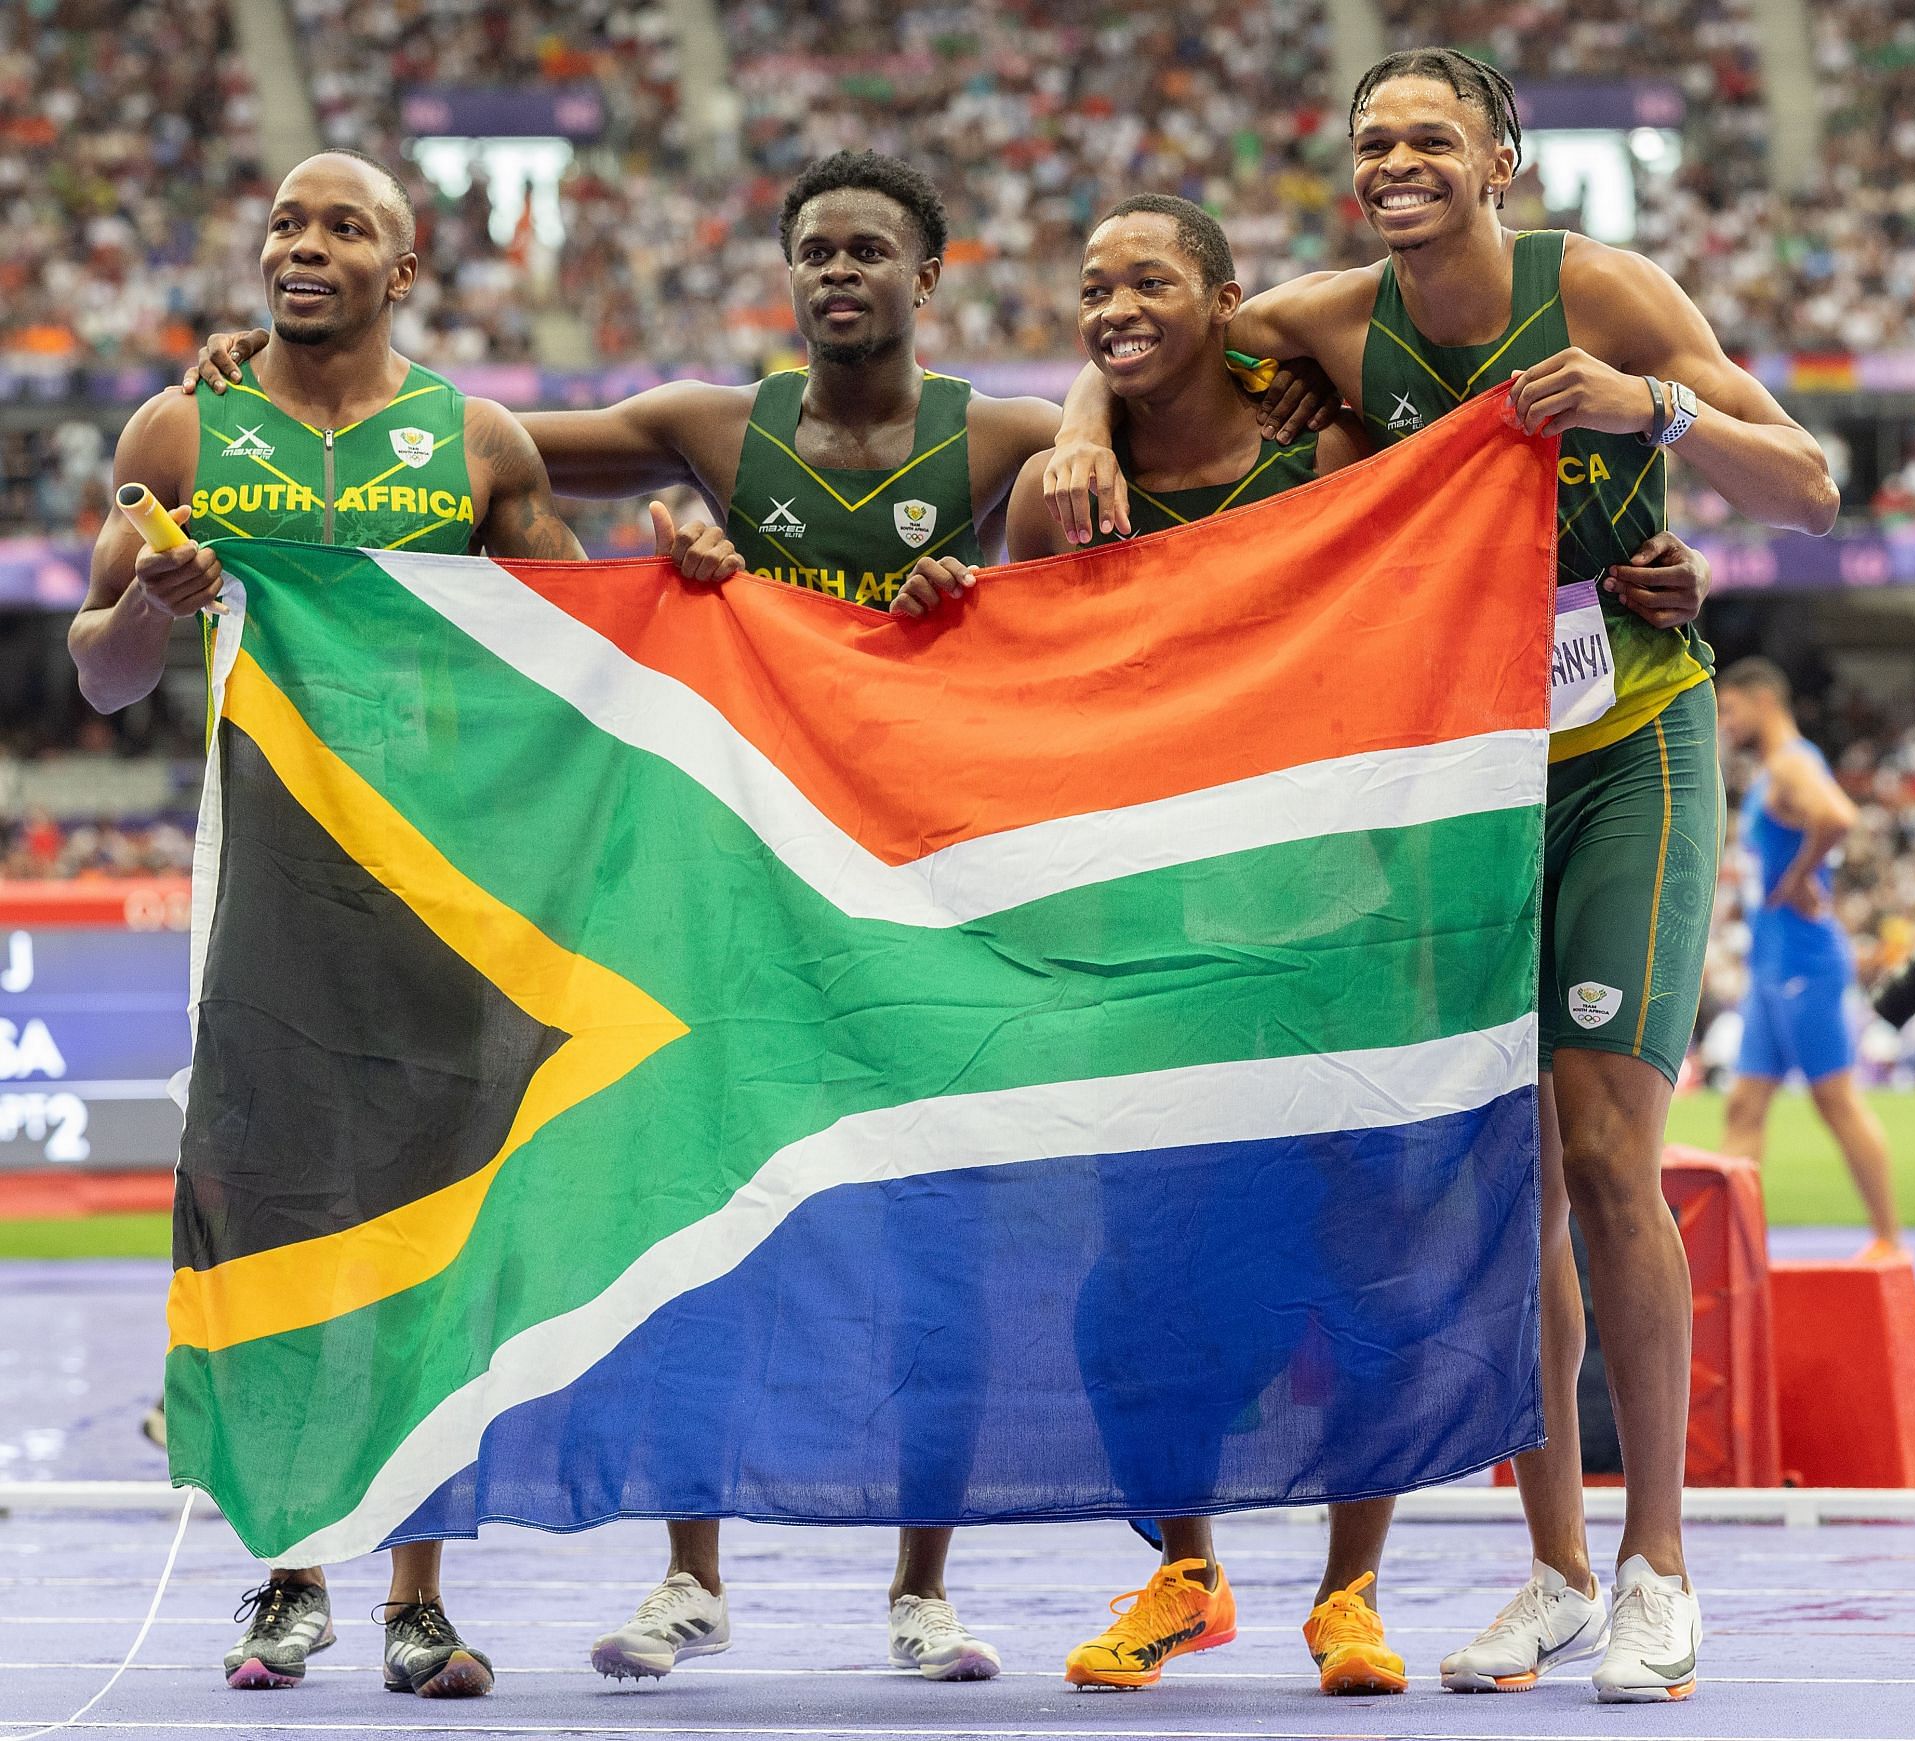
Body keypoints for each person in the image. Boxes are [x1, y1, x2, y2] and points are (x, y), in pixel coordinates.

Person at [190, 146, 1337, 1688]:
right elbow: (482, 450)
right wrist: (266, 376)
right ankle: (690, 1573)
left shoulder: (998, 434)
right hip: (742, 884)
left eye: (869, 250)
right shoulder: (709, 430)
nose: (838, 273)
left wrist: (1034, 511)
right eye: (815, 251)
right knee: (699, 1211)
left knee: (946, 1223)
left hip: (928, 886)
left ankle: (921, 1587)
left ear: (928, 278)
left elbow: (1167, 392)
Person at [1044, 46, 1837, 1705]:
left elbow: (1812, 484)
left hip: (1628, 745)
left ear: (1501, 160)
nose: (1395, 162)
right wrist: (1073, 419)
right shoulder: (1336, 322)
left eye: (1430, 140)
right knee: (1506, 1181)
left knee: (1614, 1147)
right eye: (1371, 142)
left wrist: (1652, 410)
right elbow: (1153, 328)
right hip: (1452, 785)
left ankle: (1657, 1571)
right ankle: (1549, 1568)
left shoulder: (1603, 292)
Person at [70, 147, 626, 1702]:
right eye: (284, 224)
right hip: (264, 895)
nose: (302, 246)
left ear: (407, 269)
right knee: (272, 1229)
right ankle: (286, 1575)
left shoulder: (479, 443)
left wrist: (694, 579)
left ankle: (418, 1599)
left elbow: (590, 657)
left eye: (345, 227)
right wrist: (144, 614)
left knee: (433, 1240)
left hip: (446, 898)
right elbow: (99, 674)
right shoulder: (181, 431)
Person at [1716, 658, 1904, 1260]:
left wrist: (1799, 876)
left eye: (1729, 708)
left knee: (1836, 1101)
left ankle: (1887, 1241)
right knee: (1745, 1105)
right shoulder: (1776, 769)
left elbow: (1838, 815)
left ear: (1762, 700)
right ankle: (1734, 1251)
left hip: (1805, 961)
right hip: (1771, 965)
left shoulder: (1793, 763)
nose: (1725, 720)